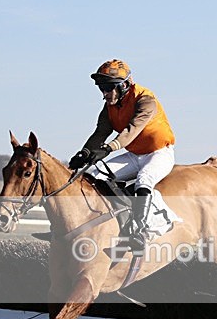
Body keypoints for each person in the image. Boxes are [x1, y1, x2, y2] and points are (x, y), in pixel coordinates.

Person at [69, 59, 176, 253]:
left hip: (159, 153)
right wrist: (84, 153)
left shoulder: (145, 100)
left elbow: (131, 131)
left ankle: (140, 232)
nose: (104, 94)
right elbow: (100, 132)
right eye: (101, 88)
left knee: (144, 180)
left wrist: (108, 149)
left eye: (108, 88)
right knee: (94, 175)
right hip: (134, 154)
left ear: (124, 85)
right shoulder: (110, 105)